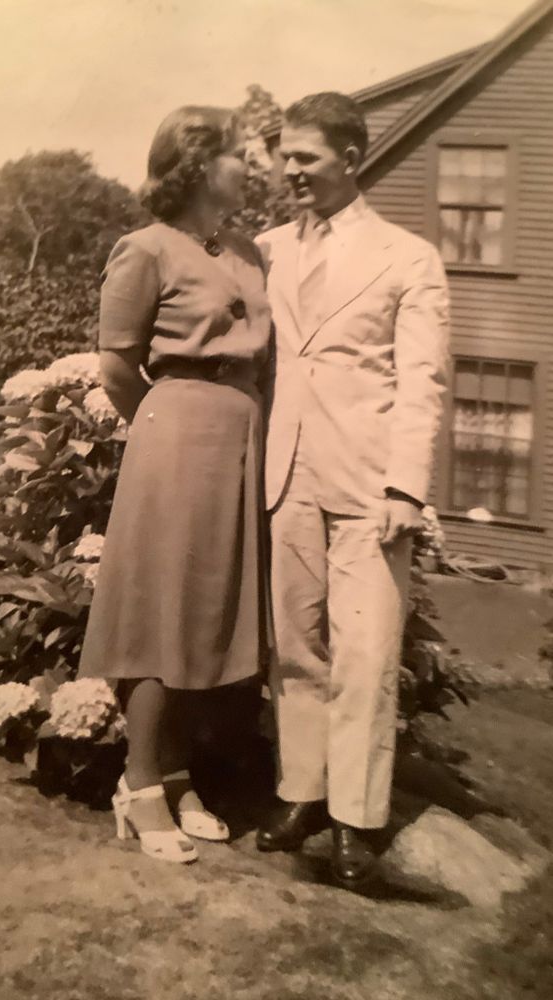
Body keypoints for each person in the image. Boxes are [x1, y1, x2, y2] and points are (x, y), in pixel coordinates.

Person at [255, 92, 449, 888]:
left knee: (364, 656)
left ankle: (355, 820)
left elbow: (423, 382)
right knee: (295, 650)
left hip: (369, 487)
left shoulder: (407, 257)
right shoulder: (265, 251)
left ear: (350, 158)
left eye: (305, 156)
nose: (289, 170)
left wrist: (406, 487)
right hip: (284, 474)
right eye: (283, 156)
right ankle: (302, 793)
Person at [79, 106, 272, 864]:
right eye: (235, 154)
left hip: (242, 431)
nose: (248, 166)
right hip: (179, 430)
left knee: (210, 611)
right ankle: (137, 782)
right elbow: (118, 363)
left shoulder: (249, 251)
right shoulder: (146, 248)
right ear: (195, 165)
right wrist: (166, 425)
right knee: (167, 609)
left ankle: (176, 770)